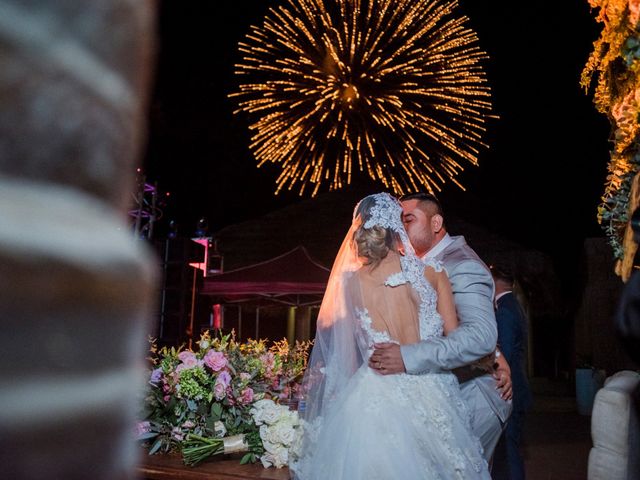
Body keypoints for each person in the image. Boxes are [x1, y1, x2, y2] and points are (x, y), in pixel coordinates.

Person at [291, 193, 489, 479]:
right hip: (432, 389)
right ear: (397, 227)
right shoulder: (434, 272)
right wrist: (489, 358)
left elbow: (348, 352)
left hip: (373, 390)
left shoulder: (350, 282)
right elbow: (455, 338)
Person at [369, 192, 513, 461]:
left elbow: (480, 334)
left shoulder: (462, 264)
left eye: (408, 219)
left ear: (436, 224)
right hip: (435, 392)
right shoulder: (413, 265)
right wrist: (493, 353)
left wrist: (406, 357)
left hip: (472, 395)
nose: (400, 228)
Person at [489, 265, 533, 480]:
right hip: (519, 384)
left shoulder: (505, 310)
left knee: (509, 450)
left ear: (494, 283)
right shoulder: (513, 305)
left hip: (511, 387)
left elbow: (503, 352)